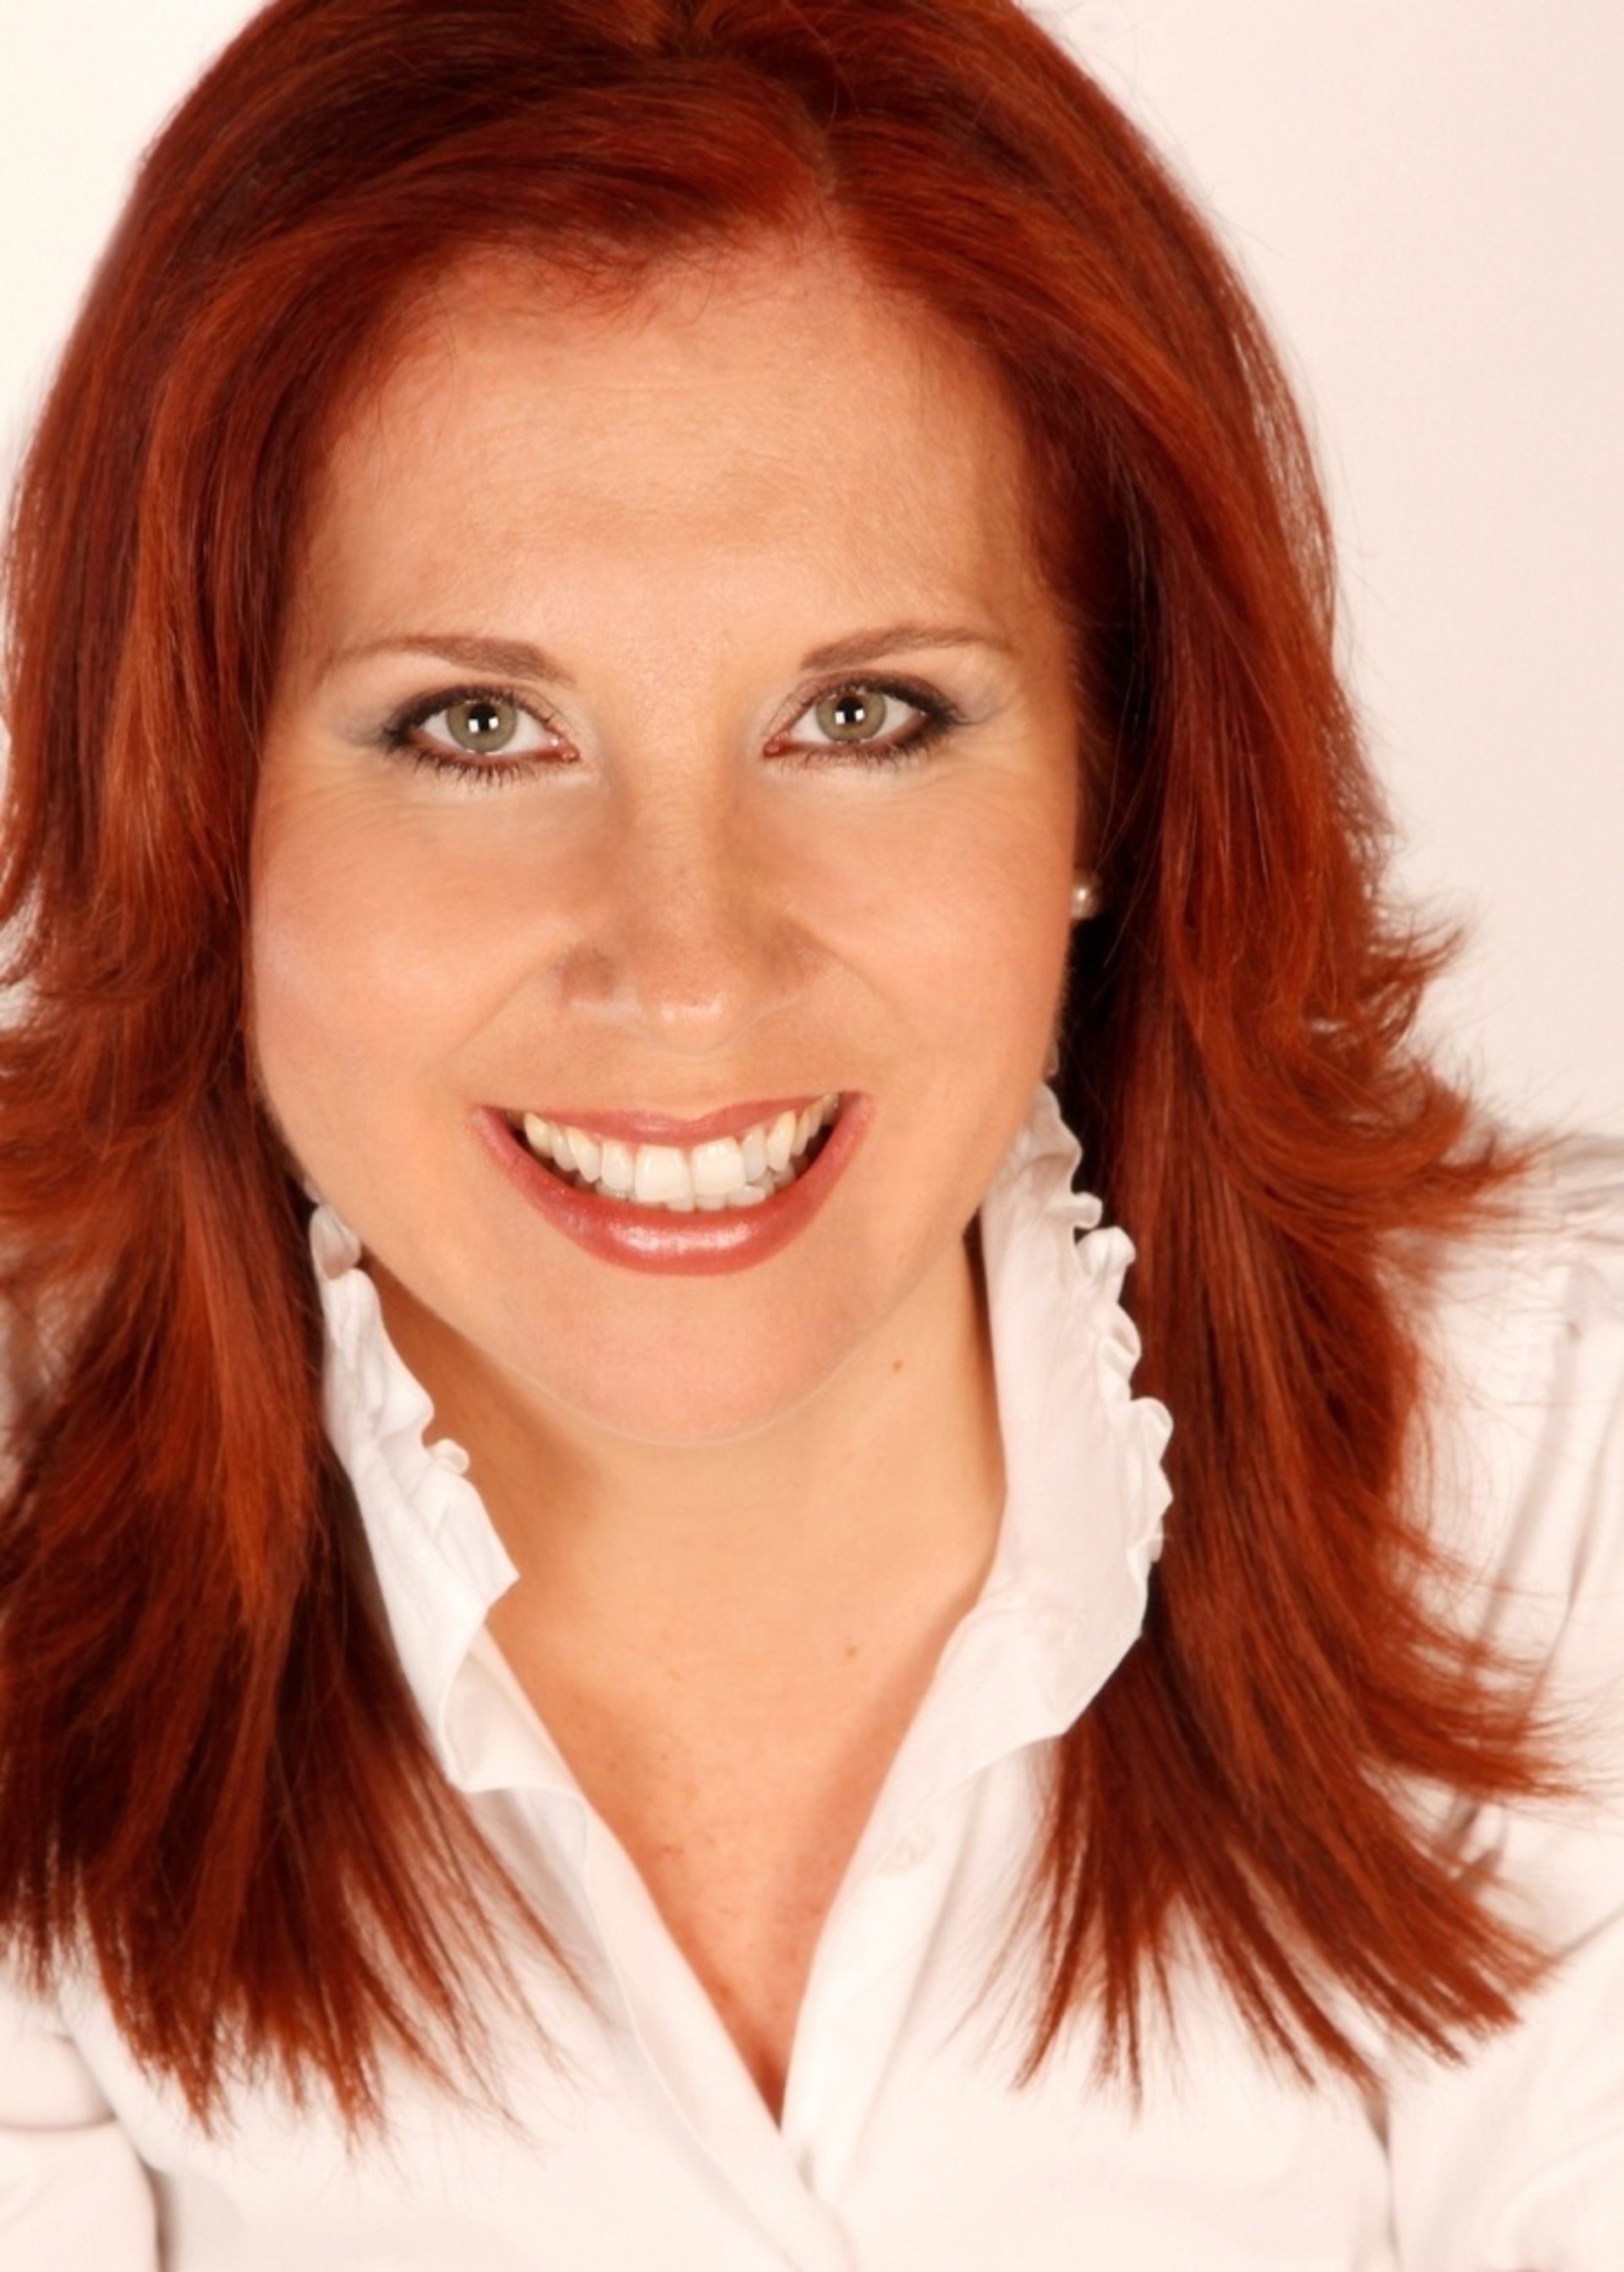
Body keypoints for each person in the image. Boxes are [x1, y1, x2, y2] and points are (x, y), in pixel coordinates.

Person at [0, 0, 1619, 2264]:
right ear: (192, 802)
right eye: (475, 725)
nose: (685, 971)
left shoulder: (1554, 1464)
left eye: (863, 714)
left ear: (1115, 777)